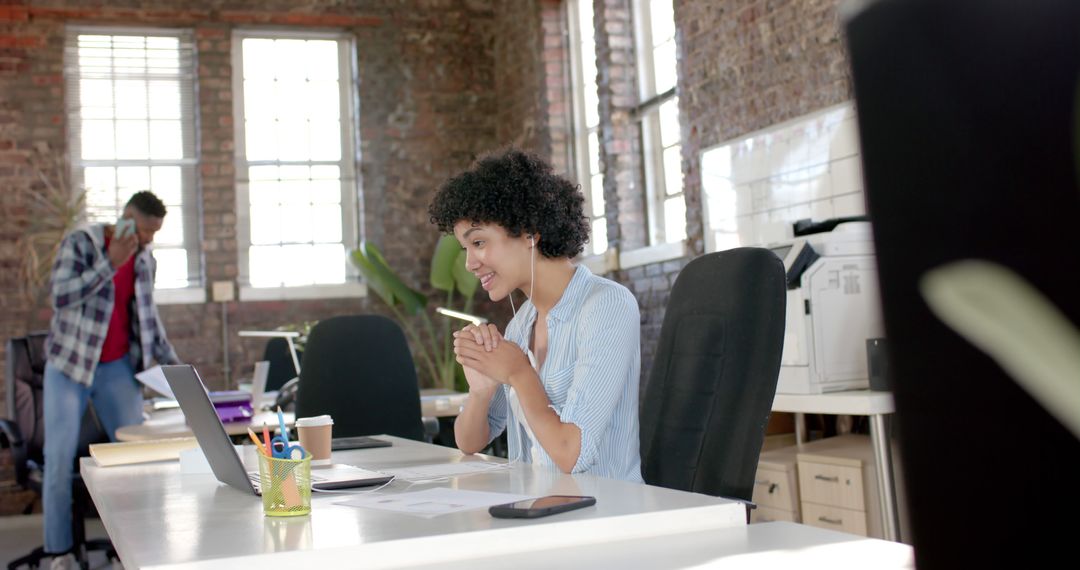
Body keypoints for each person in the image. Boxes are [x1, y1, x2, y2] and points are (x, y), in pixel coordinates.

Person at [428, 149, 643, 482]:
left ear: (529, 232)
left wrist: (519, 373)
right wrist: (481, 390)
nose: (470, 263)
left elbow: (573, 453)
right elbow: (470, 442)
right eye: (465, 249)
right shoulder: (521, 323)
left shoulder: (607, 306)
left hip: (603, 515)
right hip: (540, 513)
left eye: (479, 242)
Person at [42, 191, 180, 568]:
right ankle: (60, 552)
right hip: (70, 365)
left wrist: (178, 370)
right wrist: (110, 263)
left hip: (116, 366)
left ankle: (131, 551)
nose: (149, 239)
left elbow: (149, 321)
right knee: (58, 458)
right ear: (126, 217)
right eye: (145, 230)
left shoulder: (145, 260)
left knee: (138, 459)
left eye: (155, 233)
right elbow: (60, 296)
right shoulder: (81, 243)